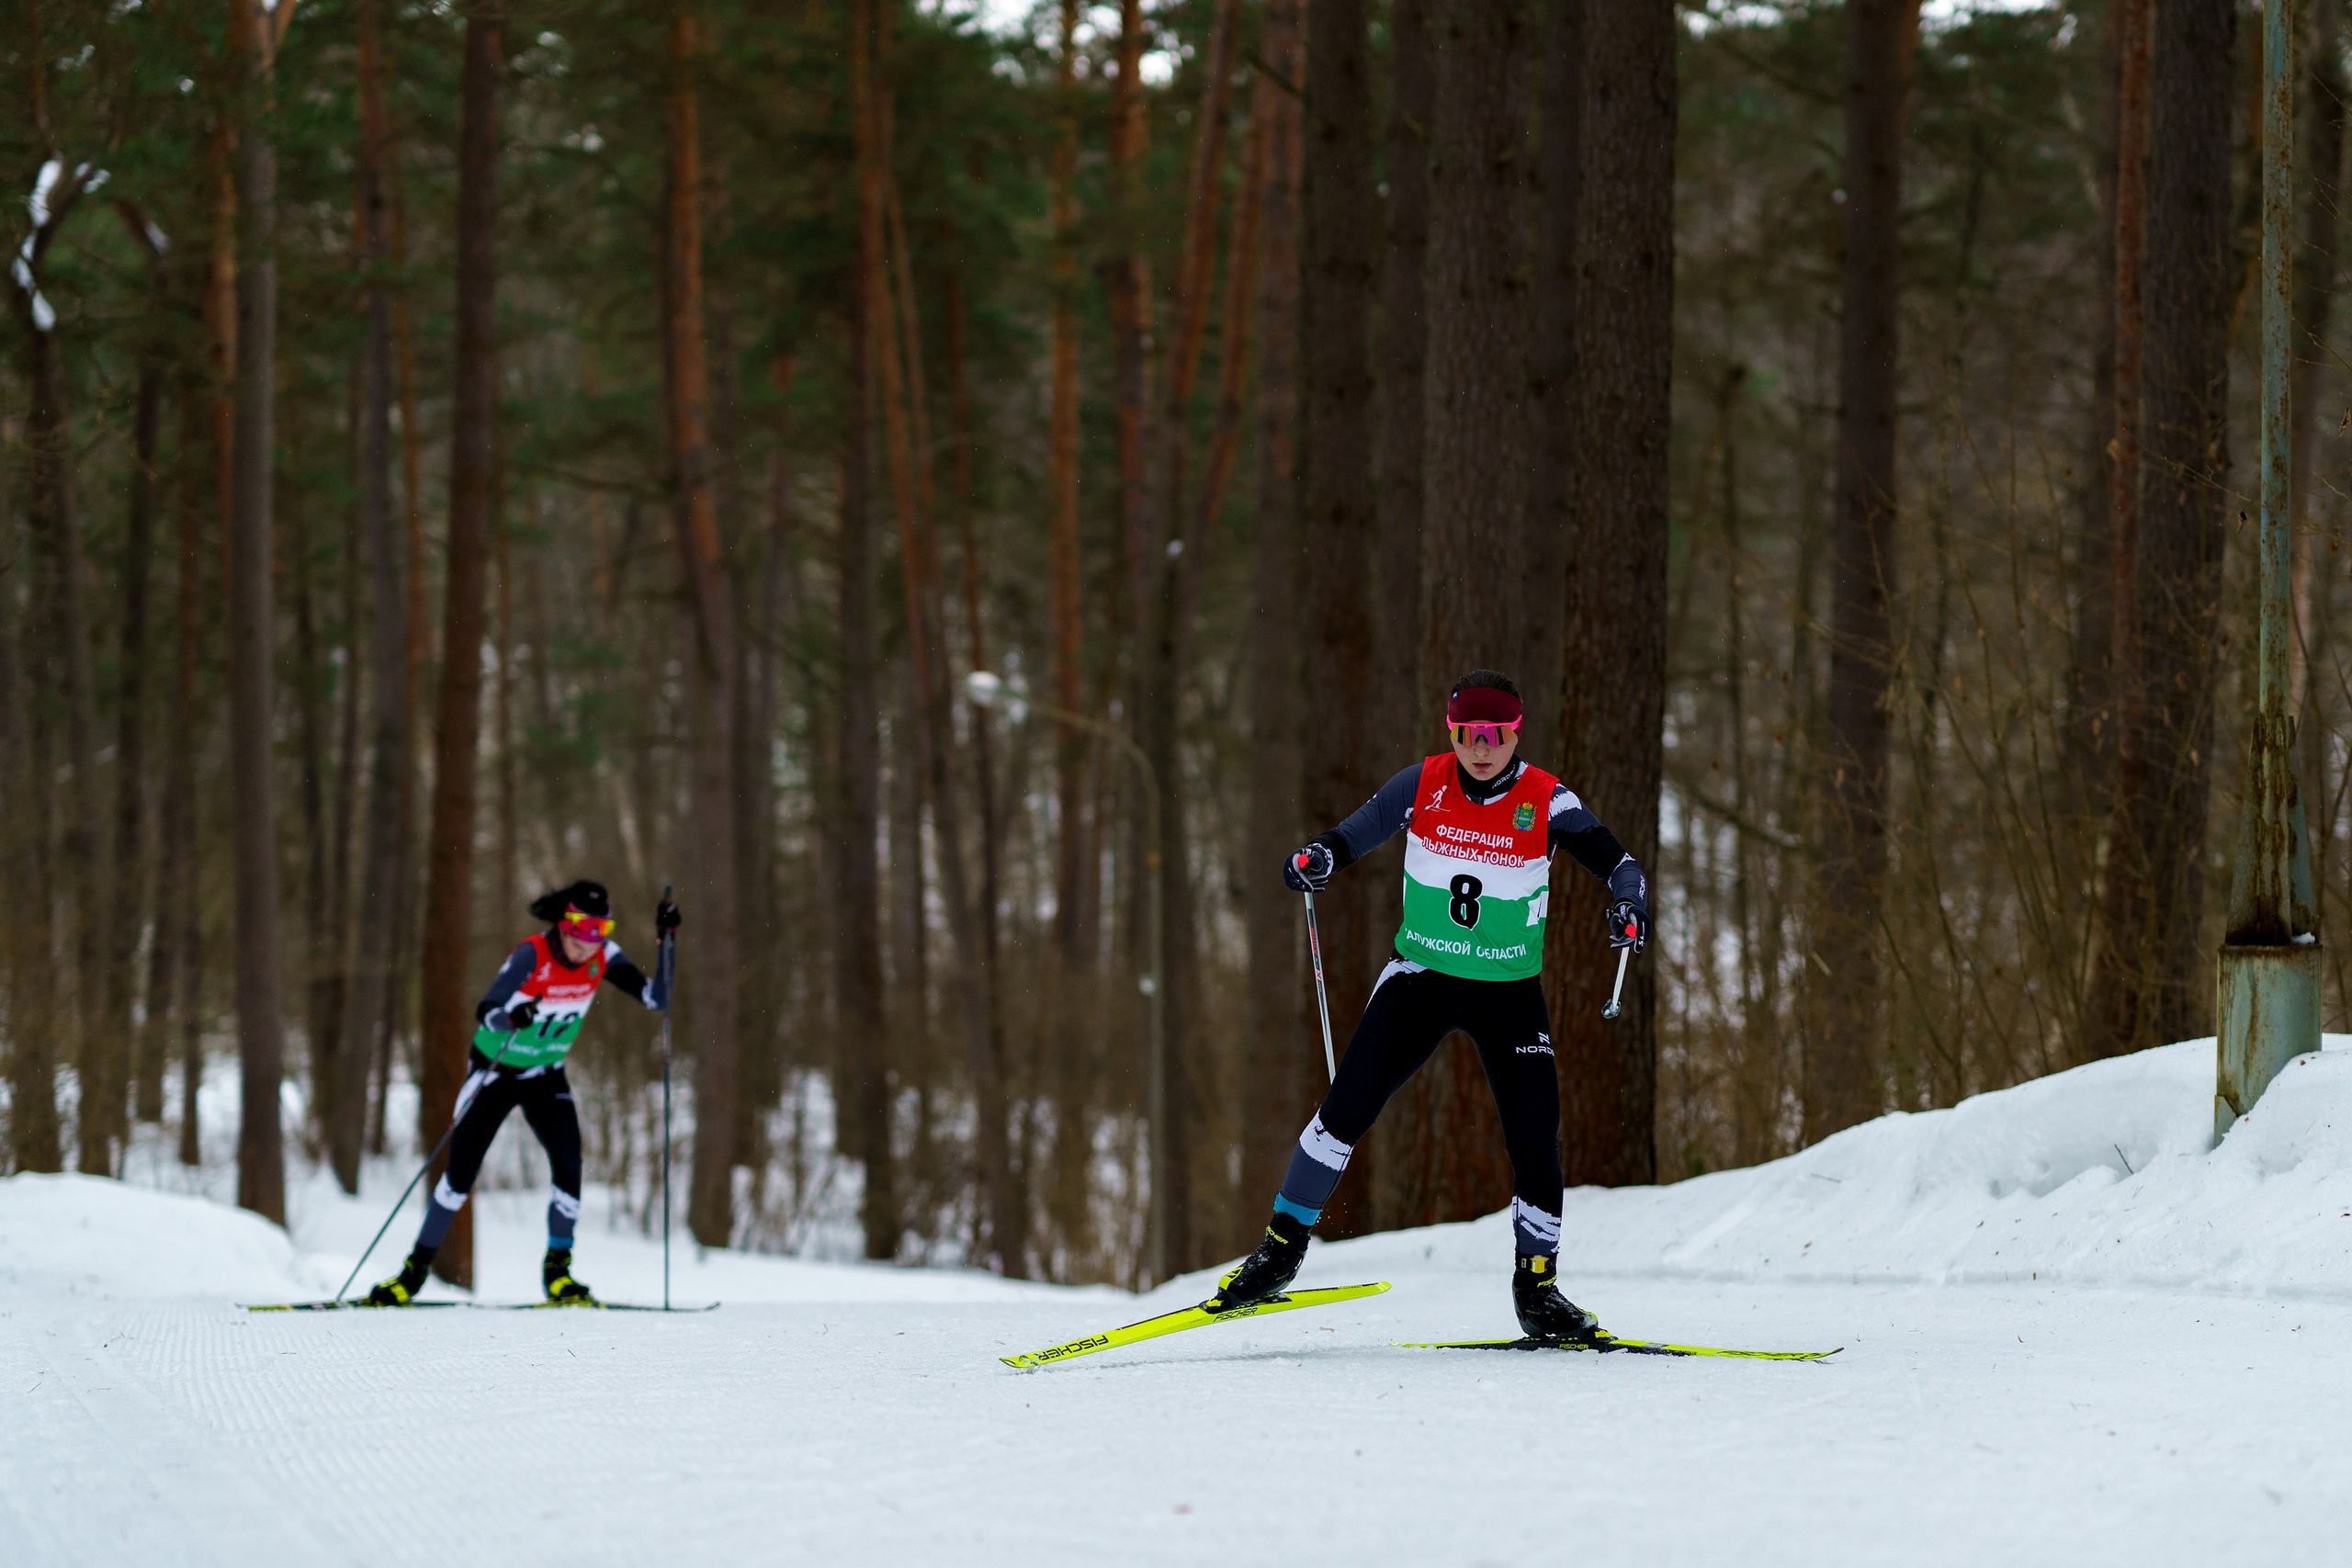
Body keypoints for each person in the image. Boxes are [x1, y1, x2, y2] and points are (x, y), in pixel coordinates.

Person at [1214, 670, 1649, 1341]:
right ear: (1451, 731)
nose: (1480, 747)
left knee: (1536, 1140)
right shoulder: (1421, 783)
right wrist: (1317, 857)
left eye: (1494, 735)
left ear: (1515, 733)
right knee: (1342, 1112)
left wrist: (1628, 907)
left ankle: (1537, 1289)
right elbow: (1349, 835)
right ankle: (1278, 1252)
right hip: (1421, 976)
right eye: (1467, 734)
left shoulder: (1547, 799)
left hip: (1508, 991)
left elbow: (1623, 868)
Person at [368, 880, 677, 1306]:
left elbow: (657, 998)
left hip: (545, 1076)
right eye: (581, 929)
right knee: (459, 1178)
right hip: (496, 1072)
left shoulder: (603, 956)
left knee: (569, 1167)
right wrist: (511, 1015)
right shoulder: (532, 954)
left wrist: (667, 943)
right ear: (563, 924)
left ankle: (558, 1274)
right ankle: (412, 1275)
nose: (589, 943)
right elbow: (487, 1011)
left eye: (600, 930)